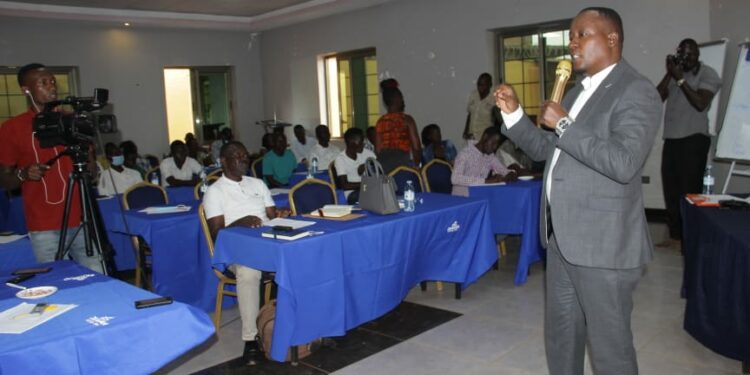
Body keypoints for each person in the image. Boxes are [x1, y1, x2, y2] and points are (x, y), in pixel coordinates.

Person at [495, 7, 661, 374]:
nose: (572, 43)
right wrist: (514, 116)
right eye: (571, 35)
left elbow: (623, 162)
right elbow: (545, 150)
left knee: (609, 350)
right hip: (562, 238)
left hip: (603, 245)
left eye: (581, 34)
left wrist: (565, 125)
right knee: (562, 338)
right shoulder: (573, 94)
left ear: (612, 39)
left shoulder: (637, 90)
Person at [0, 63, 103, 272]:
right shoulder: (12, 128)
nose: (52, 87)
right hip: (44, 224)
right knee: (56, 282)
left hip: (82, 217)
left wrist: (90, 163)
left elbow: (92, 169)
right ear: (25, 89)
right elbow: (5, 179)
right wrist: (24, 173)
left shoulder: (72, 121)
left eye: (53, 81)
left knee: (97, 276)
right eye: (43, 83)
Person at [203, 141, 290, 365]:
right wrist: (239, 222)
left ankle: (298, 322)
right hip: (236, 252)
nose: (244, 159)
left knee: (301, 255)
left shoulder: (257, 183)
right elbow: (216, 234)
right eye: (237, 156)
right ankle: (252, 339)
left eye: (245, 155)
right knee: (249, 272)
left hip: (268, 245)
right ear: (224, 161)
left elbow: (272, 216)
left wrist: (281, 214)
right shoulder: (215, 191)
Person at [656, 38, 721, 249]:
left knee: (689, 191)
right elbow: (656, 98)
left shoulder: (707, 73)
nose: (688, 58)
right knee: (671, 191)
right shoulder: (675, 75)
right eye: (683, 54)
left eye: (691, 54)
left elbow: (701, 103)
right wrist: (670, 73)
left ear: (698, 55)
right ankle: (675, 237)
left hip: (694, 139)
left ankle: (690, 239)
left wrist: (681, 80)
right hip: (672, 139)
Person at [451, 126, 516, 196]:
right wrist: (486, 181)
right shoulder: (465, 154)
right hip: (462, 198)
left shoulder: (490, 156)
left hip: (479, 196)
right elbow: (455, 178)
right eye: (493, 143)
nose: (494, 148)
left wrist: (510, 174)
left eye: (496, 145)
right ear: (485, 137)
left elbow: (503, 170)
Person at [375, 79, 421, 173]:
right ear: (397, 99)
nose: (403, 101)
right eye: (402, 98)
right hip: (402, 165)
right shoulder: (407, 120)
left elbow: (378, 150)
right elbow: (416, 147)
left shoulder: (380, 122)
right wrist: (417, 165)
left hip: (384, 167)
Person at [334, 128, 376, 204]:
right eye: (361, 142)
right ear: (352, 144)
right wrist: (366, 184)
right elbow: (345, 185)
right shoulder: (341, 159)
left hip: (370, 189)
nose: (364, 144)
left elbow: (378, 170)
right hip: (353, 193)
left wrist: (368, 166)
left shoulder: (368, 154)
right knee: (371, 196)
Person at [464, 73, 498, 141]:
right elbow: (470, 114)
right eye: (479, 84)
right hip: (471, 137)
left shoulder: (494, 100)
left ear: (490, 85)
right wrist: (466, 131)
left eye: (483, 85)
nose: (480, 87)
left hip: (484, 140)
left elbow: (497, 122)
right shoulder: (473, 95)